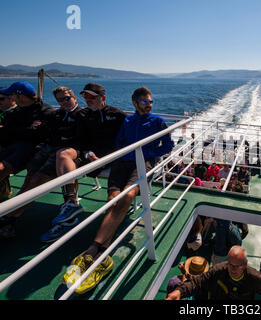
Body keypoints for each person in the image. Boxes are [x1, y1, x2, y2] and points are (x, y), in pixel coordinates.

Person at [62, 86, 174, 294]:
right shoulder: (128, 121)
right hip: (122, 163)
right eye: (144, 102)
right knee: (113, 199)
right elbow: (119, 142)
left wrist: (147, 151)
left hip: (143, 163)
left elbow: (168, 144)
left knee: (127, 195)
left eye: (150, 102)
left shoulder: (158, 121)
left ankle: (94, 249)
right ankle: (102, 253)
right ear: (134, 103)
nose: (148, 105)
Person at [2, 86, 87, 242]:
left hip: (69, 153)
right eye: (60, 100)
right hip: (49, 149)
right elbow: (47, 133)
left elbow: (86, 138)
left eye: (67, 98)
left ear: (74, 97)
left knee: (36, 181)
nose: (65, 102)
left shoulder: (83, 115)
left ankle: (8, 218)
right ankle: (10, 218)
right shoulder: (57, 115)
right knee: (28, 180)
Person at [51, 83, 127, 228]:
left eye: (92, 96)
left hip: (114, 157)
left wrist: (108, 158)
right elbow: (81, 140)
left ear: (103, 98)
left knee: (116, 190)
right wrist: (89, 154)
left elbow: (127, 140)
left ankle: (109, 222)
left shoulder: (117, 115)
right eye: (85, 96)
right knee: (62, 155)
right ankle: (71, 203)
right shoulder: (83, 115)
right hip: (91, 157)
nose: (87, 99)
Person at [0, 82, 54, 239]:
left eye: (12, 95)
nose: (10, 97)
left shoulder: (47, 112)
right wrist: (28, 130)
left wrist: (21, 132)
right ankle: (8, 218)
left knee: (31, 181)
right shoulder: (15, 113)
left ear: (20, 97)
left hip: (38, 152)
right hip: (15, 149)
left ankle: (9, 218)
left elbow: (40, 135)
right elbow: (6, 135)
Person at [166, 245, 261, 300]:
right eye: (230, 265)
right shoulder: (218, 270)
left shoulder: (254, 278)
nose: (233, 269)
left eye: (237, 266)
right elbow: (198, 282)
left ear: (245, 264)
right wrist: (179, 292)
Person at [0, 87, 17, 203]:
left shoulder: (18, 112)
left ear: (13, 99)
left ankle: (3, 192)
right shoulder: (2, 112)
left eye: (1, 99)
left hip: (13, 147)